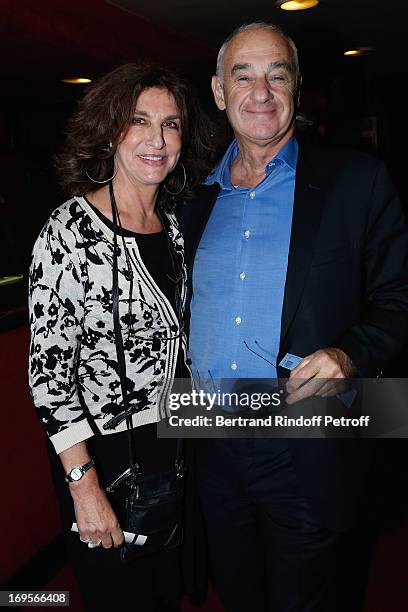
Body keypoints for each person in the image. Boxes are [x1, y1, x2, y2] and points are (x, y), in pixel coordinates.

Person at [179, 22, 408, 612]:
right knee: (238, 595)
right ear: (218, 91)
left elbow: (398, 299)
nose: (262, 92)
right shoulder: (190, 201)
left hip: (307, 441)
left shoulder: (358, 181)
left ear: (297, 89)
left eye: (277, 75)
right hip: (208, 440)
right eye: (244, 75)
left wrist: (349, 353)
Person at [28, 63, 213, 611]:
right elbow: (49, 379)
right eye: (140, 121)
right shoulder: (67, 233)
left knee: (164, 593)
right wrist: (83, 488)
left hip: (172, 443)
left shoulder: (176, 226)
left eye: (171, 124)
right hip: (104, 459)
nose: (158, 140)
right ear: (110, 131)